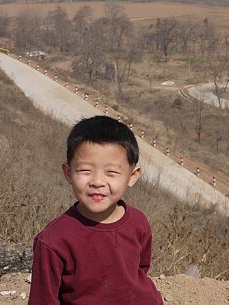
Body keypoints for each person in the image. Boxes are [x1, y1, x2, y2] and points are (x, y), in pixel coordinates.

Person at [28, 115, 163, 305]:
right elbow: (43, 300)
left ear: (132, 176)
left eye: (112, 172)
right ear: (68, 173)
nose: (97, 182)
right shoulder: (54, 241)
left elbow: (141, 269)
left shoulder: (139, 222)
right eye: (85, 170)